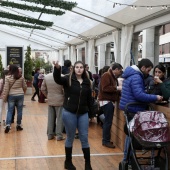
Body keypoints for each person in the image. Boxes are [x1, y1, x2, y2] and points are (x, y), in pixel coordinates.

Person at [119, 58, 163, 161]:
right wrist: (155, 97)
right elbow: (139, 95)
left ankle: (127, 159)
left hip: (129, 107)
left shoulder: (131, 75)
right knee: (131, 136)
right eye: (148, 70)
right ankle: (127, 159)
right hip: (133, 108)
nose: (149, 73)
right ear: (143, 68)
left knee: (129, 135)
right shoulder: (136, 77)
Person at [53, 60, 93, 170]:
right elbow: (57, 79)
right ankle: (68, 162)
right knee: (70, 137)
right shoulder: (68, 79)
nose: (79, 69)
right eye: (77, 67)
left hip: (83, 113)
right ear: (73, 68)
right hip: (69, 112)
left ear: (84, 69)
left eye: (81, 67)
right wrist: (57, 68)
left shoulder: (87, 82)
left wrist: (92, 114)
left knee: (84, 138)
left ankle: (88, 164)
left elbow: (90, 99)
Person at [98, 63, 123, 148]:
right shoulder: (107, 75)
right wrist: (117, 88)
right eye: (120, 70)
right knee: (108, 122)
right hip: (106, 101)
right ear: (115, 69)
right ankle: (106, 141)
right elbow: (105, 88)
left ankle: (106, 140)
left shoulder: (111, 76)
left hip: (107, 101)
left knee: (108, 122)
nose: (120, 72)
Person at [3, 64, 27, 133]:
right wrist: (23, 92)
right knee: (19, 111)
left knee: (10, 110)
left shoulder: (8, 78)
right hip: (20, 95)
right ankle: (18, 125)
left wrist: (5, 98)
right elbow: (25, 86)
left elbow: (6, 89)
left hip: (11, 95)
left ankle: (8, 125)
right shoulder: (21, 77)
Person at [41, 72, 65, 141]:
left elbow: (42, 89)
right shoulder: (62, 76)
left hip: (51, 99)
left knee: (51, 118)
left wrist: (48, 96)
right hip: (60, 100)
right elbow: (65, 90)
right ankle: (59, 135)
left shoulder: (47, 77)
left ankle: (50, 134)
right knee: (60, 118)